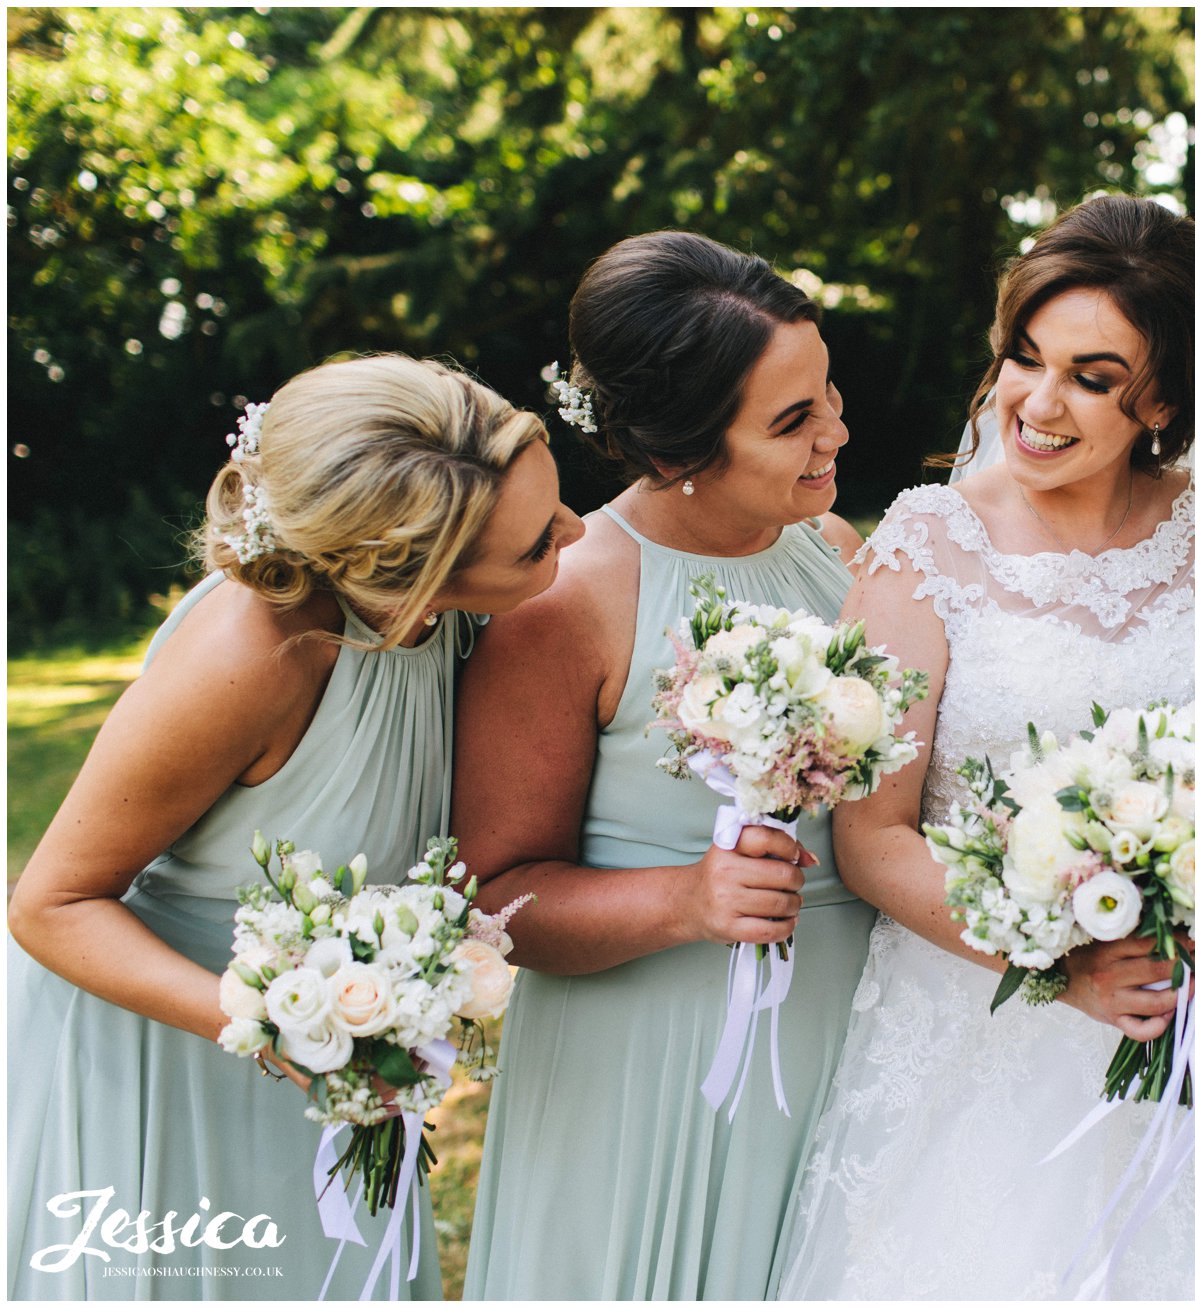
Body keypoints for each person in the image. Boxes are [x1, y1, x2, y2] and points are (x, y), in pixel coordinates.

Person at [776, 194, 1195, 1300]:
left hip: (1175, 1010)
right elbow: (876, 838)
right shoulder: (924, 547)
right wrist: (1062, 965)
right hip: (978, 1020)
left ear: (1166, 401)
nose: (1035, 404)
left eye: (1092, 378)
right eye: (1024, 358)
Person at [8, 354, 580, 1298]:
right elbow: (50, 904)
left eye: (556, 504)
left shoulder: (452, 625)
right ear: (412, 574)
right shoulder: (255, 657)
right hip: (167, 1055)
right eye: (535, 547)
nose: (576, 530)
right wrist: (280, 1029)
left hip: (342, 1051)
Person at [456, 230, 871, 1300]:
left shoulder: (834, 554)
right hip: (646, 1065)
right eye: (791, 421)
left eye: (826, 393)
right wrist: (687, 900)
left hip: (842, 1041)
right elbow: (497, 896)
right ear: (679, 448)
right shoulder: (573, 598)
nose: (834, 432)